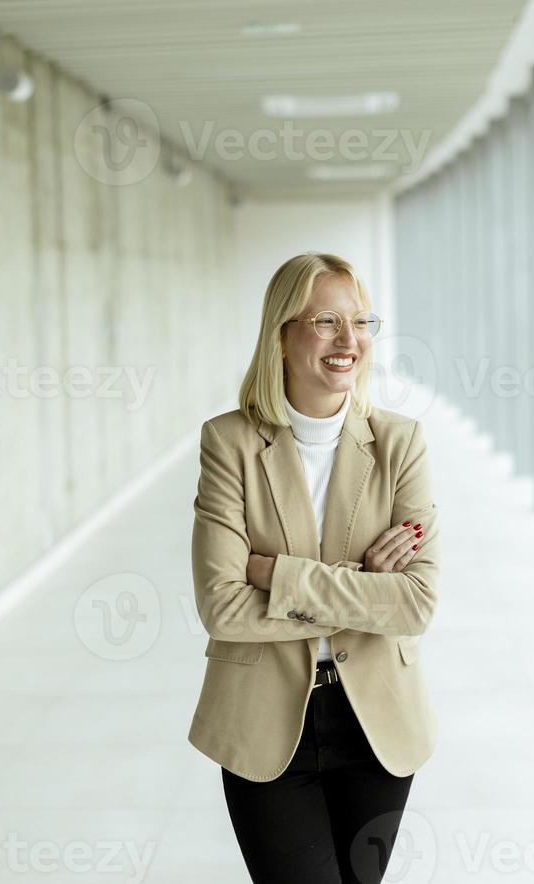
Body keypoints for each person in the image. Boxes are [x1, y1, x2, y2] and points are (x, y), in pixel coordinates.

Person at [187, 251, 441, 884]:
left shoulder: (399, 441)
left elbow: (415, 603)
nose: (348, 340)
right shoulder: (229, 443)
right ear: (281, 334)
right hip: (264, 721)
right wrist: (363, 586)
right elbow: (222, 606)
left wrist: (276, 574)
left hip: (377, 721)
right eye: (326, 320)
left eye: (360, 321)